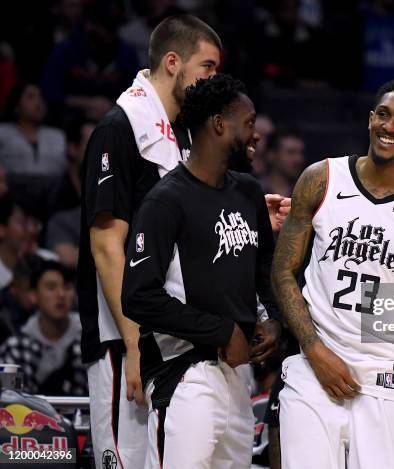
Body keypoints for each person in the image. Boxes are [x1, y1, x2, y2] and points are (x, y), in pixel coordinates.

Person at [271, 78, 394, 468]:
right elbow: (283, 271)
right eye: (383, 114)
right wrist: (313, 347)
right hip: (314, 369)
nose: (389, 127)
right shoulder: (321, 179)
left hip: (386, 377)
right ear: (371, 118)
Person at [77, 14, 223, 469]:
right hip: (125, 341)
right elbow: (106, 246)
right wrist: (137, 345)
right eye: (208, 67)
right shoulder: (119, 128)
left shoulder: (181, 136)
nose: (213, 80)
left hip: (169, 341)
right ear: (173, 62)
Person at [122, 74, 281, 469]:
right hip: (183, 376)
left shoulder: (247, 192)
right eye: (249, 123)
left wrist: (273, 320)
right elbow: (138, 296)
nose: (255, 135)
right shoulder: (165, 200)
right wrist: (222, 331)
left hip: (237, 377)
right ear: (218, 125)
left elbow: (264, 273)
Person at [0, 260, 87, 396]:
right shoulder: (15, 349)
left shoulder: (90, 341)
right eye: (51, 287)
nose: (61, 295)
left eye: (67, 287)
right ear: (33, 295)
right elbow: (8, 400)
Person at [260, 128, 306, 197]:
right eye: (291, 152)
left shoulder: (306, 193)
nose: (298, 159)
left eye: (301, 153)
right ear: (271, 155)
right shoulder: (255, 192)